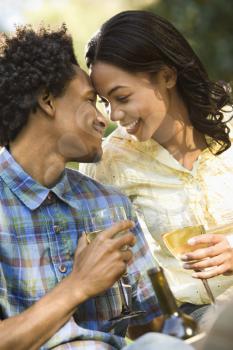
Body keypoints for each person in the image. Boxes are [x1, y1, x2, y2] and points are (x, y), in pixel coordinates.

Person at [0, 24, 195, 350]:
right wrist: (78, 285)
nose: (106, 118)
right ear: (47, 100)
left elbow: (154, 325)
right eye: (91, 100)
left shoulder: (109, 204)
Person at [80, 10, 233, 319]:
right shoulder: (111, 161)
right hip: (194, 319)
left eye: (121, 97)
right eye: (104, 102)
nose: (113, 115)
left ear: (167, 76)